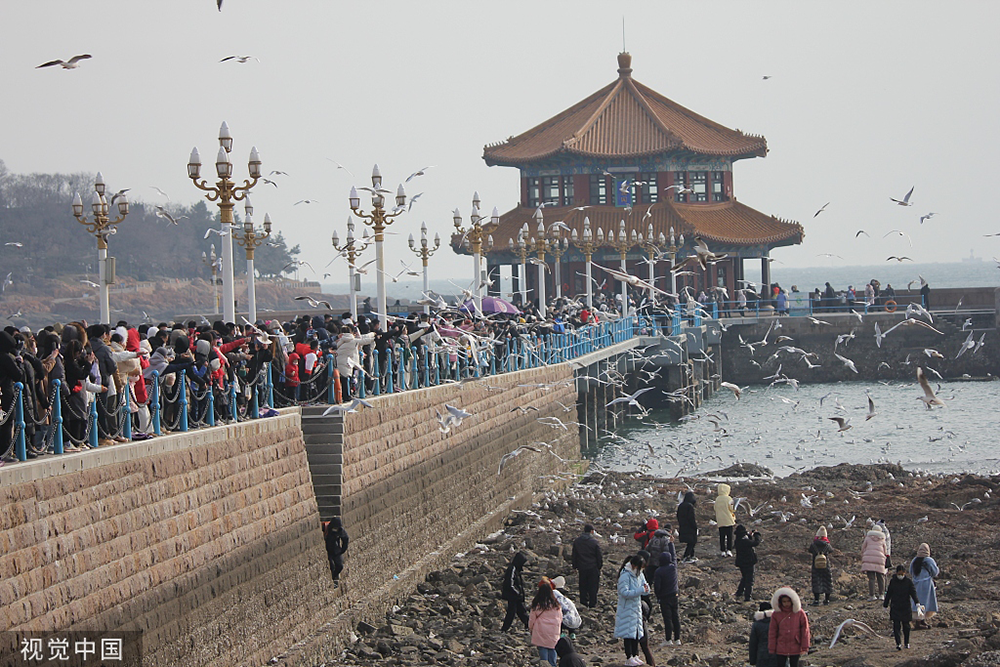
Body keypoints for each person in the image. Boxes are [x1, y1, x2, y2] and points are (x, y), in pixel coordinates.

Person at [615, 554, 648, 667]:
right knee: (628, 634)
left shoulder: (639, 574)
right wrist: (640, 590)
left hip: (636, 608)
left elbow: (644, 586)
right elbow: (624, 593)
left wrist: (646, 589)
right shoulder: (625, 576)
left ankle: (635, 655)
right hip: (626, 608)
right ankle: (629, 657)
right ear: (634, 565)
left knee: (636, 633)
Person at [768, 587, 810, 667]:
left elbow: (805, 630)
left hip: (795, 645)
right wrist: (772, 647)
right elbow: (772, 632)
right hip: (781, 645)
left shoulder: (799, 613)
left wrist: (805, 646)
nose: (786, 603)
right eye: (784, 602)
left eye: (788, 601)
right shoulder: (776, 614)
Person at [528, 578, 563, 667]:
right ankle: (553, 664)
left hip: (540, 629)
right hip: (553, 630)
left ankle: (544, 664)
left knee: (542, 647)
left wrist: (531, 628)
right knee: (552, 648)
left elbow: (532, 619)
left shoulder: (537, 604)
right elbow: (560, 618)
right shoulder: (556, 604)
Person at [884, 564, 919, 650]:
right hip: (895, 606)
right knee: (896, 626)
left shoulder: (908, 582)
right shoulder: (893, 581)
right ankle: (898, 643)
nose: (901, 576)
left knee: (906, 626)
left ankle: (906, 643)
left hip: (905, 606)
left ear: (905, 573)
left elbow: (913, 593)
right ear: (896, 573)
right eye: (899, 574)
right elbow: (889, 593)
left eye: (902, 574)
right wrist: (885, 604)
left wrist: (917, 603)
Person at [571, 524, 603, 608]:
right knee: (593, 586)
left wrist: (574, 566)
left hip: (582, 567)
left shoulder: (577, 541)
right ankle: (592, 604)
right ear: (591, 531)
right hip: (593, 567)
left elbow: (574, 555)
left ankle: (583, 603)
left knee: (583, 586)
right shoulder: (594, 542)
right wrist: (599, 566)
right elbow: (599, 556)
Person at [654, 550, 680, 646]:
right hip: (674, 595)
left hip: (664, 597)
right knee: (676, 617)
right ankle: (677, 639)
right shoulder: (673, 568)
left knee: (667, 618)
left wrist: (658, 596)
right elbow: (674, 556)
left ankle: (668, 639)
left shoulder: (659, 571)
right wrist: (670, 543)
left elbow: (657, 586)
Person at [909, 543, 939, 628]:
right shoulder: (929, 560)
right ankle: (921, 621)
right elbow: (935, 572)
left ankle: (919, 621)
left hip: (915, 584)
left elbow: (911, 571)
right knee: (926, 602)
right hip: (926, 585)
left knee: (917, 602)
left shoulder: (914, 560)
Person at [500, 551, 530, 632]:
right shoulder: (512, 569)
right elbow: (510, 583)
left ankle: (529, 625)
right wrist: (517, 592)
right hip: (513, 595)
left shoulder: (516, 569)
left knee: (521, 611)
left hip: (515, 595)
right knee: (512, 612)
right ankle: (504, 629)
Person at [734, 524, 762, 602]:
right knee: (749, 580)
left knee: (744, 578)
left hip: (741, 563)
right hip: (748, 562)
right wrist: (757, 535)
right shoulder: (744, 541)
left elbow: (748, 542)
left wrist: (749, 535)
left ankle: (739, 592)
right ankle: (747, 597)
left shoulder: (738, 540)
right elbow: (755, 543)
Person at [860, 525, 888, 601]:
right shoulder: (882, 539)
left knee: (871, 578)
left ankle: (872, 595)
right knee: (880, 577)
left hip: (869, 559)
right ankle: (881, 595)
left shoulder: (868, 538)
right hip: (880, 559)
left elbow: (863, 548)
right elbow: (885, 550)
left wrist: (864, 555)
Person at [808, 526, 833, 605]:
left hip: (816, 565)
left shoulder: (813, 545)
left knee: (816, 581)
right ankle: (827, 599)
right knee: (827, 581)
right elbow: (831, 550)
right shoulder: (827, 545)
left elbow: (810, 550)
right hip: (826, 565)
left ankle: (816, 600)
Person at [749, 602, 777, 667]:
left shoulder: (756, 625)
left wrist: (752, 660)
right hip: (778, 655)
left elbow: (753, 644)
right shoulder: (778, 622)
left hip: (762, 656)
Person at [323, 517, 349, 586]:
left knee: (340, 566)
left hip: (336, 551)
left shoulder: (340, 531)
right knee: (331, 565)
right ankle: (332, 581)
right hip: (328, 550)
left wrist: (342, 550)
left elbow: (345, 539)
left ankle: (334, 576)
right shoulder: (326, 528)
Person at [715, 483, 736, 556]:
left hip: (720, 520)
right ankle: (729, 550)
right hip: (728, 520)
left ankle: (722, 551)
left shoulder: (717, 499)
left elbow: (715, 508)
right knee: (729, 536)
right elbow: (732, 509)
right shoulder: (729, 498)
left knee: (722, 536)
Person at [677, 490, 699, 563]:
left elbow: (678, 516)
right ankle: (686, 556)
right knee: (692, 542)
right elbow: (691, 518)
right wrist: (695, 526)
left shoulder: (681, 506)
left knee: (690, 542)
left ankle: (692, 556)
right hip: (690, 527)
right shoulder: (690, 506)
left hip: (683, 526)